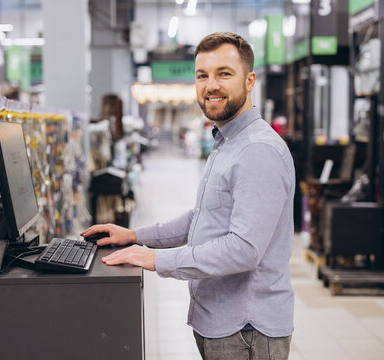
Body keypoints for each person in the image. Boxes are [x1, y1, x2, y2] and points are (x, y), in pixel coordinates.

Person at [81, 31, 294, 360]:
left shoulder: (257, 150)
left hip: (245, 330)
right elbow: (203, 217)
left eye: (224, 73)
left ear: (250, 80)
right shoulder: (228, 141)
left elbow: (244, 250)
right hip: (222, 322)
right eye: (202, 75)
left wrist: (156, 260)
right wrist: (136, 235)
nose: (211, 85)